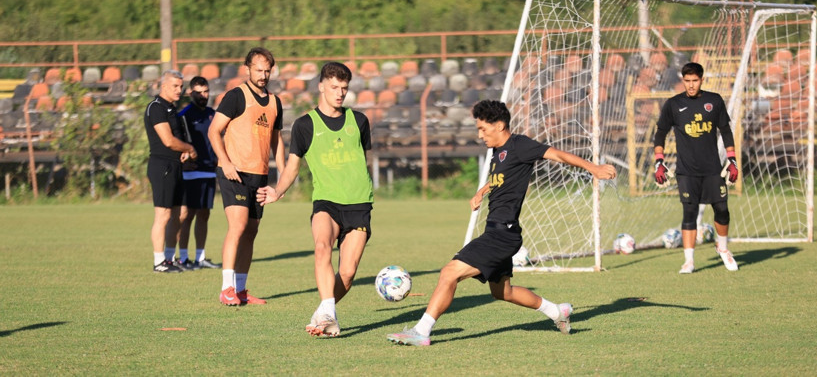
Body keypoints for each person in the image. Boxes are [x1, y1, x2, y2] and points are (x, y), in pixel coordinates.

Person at [386, 100, 616, 346]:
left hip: (501, 235)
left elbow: (556, 154)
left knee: (449, 273)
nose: (480, 135)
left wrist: (593, 168)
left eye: (483, 129)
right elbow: (501, 179)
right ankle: (556, 312)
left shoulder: (520, 145)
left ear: (500, 125)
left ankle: (421, 331)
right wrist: (482, 191)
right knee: (502, 292)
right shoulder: (498, 152)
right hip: (500, 231)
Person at [256, 62, 373, 338]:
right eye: (334, 87)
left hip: (358, 204)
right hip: (326, 202)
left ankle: (323, 311)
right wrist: (277, 190)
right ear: (321, 86)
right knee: (322, 247)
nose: (340, 93)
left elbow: (364, 161)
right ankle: (329, 316)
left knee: (347, 273)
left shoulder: (359, 121)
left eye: (344, 88)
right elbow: (293, 166)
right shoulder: (305, 125)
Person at [208, 47, 285, 305]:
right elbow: (213, 131)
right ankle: (226, 289)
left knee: (251, 231)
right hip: (235, 172)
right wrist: (225, 162)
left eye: (267, 71)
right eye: (258, 70)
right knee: (238, 226)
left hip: (259, 175)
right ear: (247, 69)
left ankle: (241, 290)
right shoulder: (235, 96)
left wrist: (283, 175)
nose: (263, 75)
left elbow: (277, 140)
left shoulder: (275, 102)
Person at [653, 62, 739, 274]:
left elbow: (726, 131)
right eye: (687, 81)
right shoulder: (674, 104)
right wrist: (659, 161)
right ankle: (689, 261)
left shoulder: (714, 100)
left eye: (695, 81)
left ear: (702, 80)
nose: (691, 85)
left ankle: (723, 248)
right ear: (683, 81)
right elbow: (660, 133)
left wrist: (732, 159)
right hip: (686, 170)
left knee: (722, 210)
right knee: (689, 212)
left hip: (712, 169)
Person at [144, 70, 197, 273]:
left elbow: (177, 140)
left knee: (178, 213)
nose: (179, 90)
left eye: (181, 86)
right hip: (162, 166)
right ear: (163, 85)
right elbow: (167, 140)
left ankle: (169, 258)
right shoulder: (156, 108)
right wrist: (189, 149)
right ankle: (159, 262)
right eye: (175, 86)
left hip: (175, 165)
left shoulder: (172, 109)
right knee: (163, 215)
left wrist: (183, 152)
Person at [174, 76, 221, 270]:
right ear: (190, 93)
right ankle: (183, 258)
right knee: (187, 214)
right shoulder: (183, 115)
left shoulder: (213, 114)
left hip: (209, 170)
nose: (203, 96)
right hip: (191, 171)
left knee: (204, 214)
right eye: (199, 92)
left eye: (206, 91)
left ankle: (200, 257)